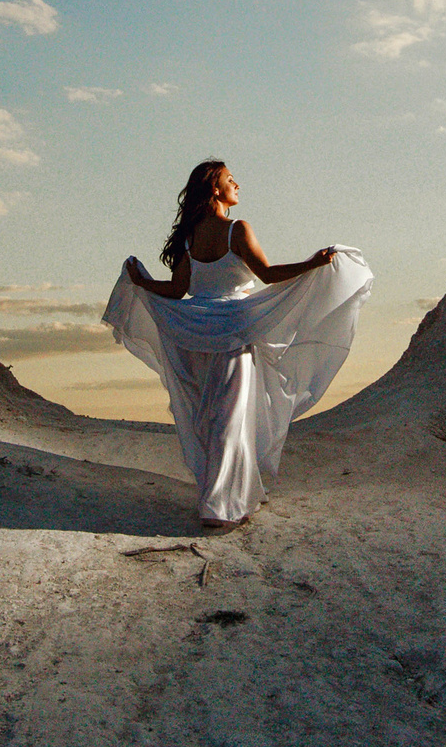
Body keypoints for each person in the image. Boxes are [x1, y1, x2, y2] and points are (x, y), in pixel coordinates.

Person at [101, 160, 372, 531]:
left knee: (209, 418)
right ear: (215, 188)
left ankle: (228, 496)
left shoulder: (188, 236)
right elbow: (269, 275)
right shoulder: (237, 230)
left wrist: (142, 282)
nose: (238, 184)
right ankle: (217, 506)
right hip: (230, 333)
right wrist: (311, 264)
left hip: (192, 332)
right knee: (230, 421)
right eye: (231, 180)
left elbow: (176, 290)